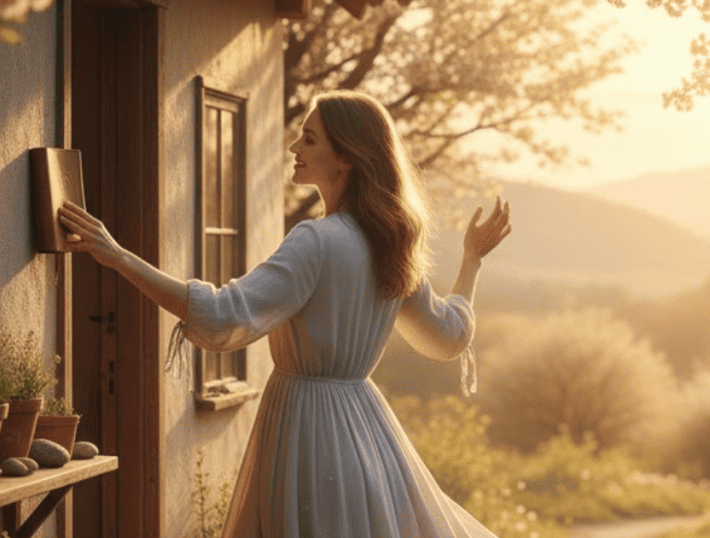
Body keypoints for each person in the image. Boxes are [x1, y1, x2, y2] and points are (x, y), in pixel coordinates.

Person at [58, 90, 511, 538]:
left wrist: (118, 256)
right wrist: (472, 260)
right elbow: (449, 337)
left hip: (308, 433)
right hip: (366, 434)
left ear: (347, 157)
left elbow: (222, 315)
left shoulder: (315, 240)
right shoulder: (391, 245)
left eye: (309, 139)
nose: (294, 148)